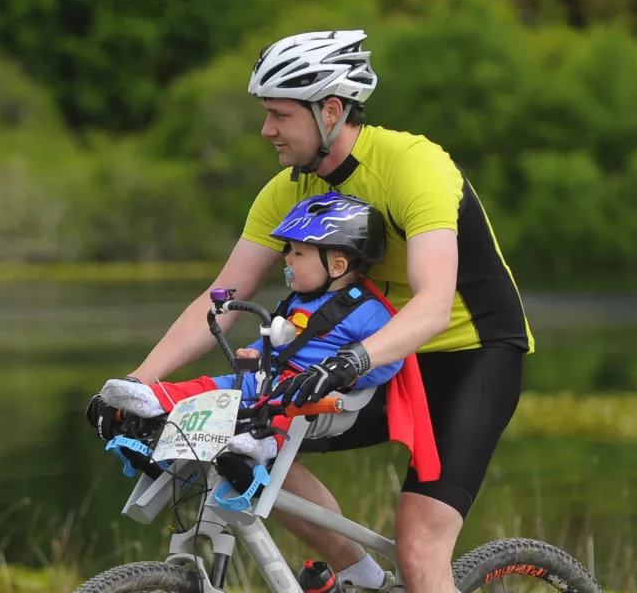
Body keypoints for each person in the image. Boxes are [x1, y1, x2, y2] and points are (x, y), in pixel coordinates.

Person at [87, 30, 532, 593]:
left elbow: (433, 305)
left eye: (279, 113)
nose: (266, 129)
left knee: (421, 545)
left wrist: (350, 360)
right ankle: (368, 590)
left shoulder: (414, 165)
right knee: (249, 438)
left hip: (468, 352)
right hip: (365, 357)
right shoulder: (286, 192)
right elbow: (217, 300)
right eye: (265, 112)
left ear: (330, 110)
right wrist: (136, 381)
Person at [96, 192, 412, 467]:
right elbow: (278, 336)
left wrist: (347, 370)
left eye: (298, 253)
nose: (287, 259)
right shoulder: (299, 301)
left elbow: (391, 358)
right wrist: (256, 351)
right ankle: (153, 399)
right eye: (289, 250)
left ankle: (265, 442)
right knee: (214, 386)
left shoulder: (370, 312)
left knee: (287, 404)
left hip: (312, 392)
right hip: (267, 379)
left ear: (338, 266)